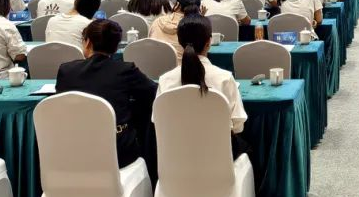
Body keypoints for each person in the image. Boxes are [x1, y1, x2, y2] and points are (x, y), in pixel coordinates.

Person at [56, 19, 156, 168]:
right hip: (117, 151)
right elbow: (153, 91)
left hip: (73, 148)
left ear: (87, 42)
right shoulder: (125, 70)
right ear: (115, 48)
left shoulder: (66, 70)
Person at [157, 14, 248, 157]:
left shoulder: (165, 80)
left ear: (179, 42)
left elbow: (158, 123)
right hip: (219, 157)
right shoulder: (224, 78)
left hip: (177, 158)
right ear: (208, 42)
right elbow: (238, 126)